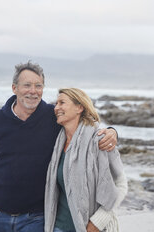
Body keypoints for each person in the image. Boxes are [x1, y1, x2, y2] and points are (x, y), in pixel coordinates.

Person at [0, 62, 118, 232]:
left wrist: (111, 131)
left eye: (38, 86)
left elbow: (85, 125)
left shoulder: (54, 116)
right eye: (27, 85)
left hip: (37, 217)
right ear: (14, 88)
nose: (33, 91)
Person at [45, 88, 127, 232]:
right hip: (58, 227)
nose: (56, 107)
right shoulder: (57, 141)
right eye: (56, 103)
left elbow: (121, 185)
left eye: (62, 102)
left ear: (79, 107)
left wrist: (97, 223)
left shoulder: (100, 140)